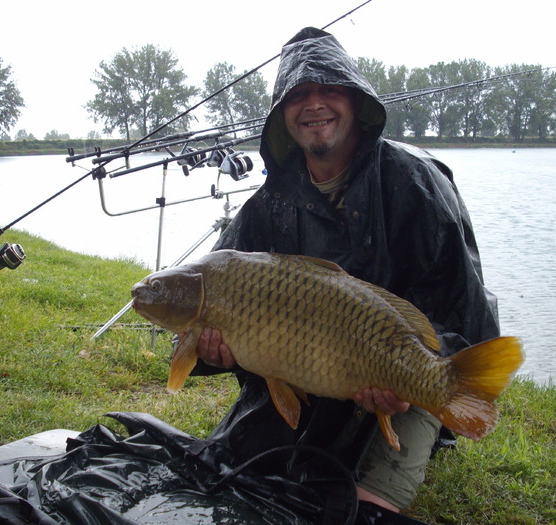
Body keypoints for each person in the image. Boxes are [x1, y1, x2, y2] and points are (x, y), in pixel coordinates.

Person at [188, 27, 500, 523]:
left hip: (410, 364)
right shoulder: (270, 204)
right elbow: (217, 300)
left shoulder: (415, 181)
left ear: (356, 101)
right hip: (317, 370)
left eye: (328, 89)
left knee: (365, 506)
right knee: (240, 473)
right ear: (281, 114)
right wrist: (212, 353)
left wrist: (405, 374)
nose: (314, 104)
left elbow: (460, 308)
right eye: (297, 95)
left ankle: (420, 421)